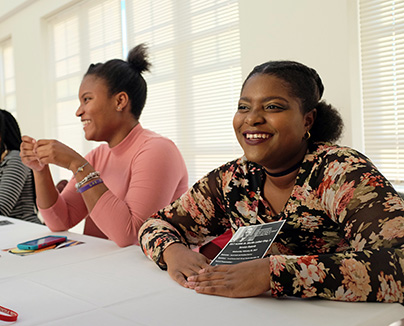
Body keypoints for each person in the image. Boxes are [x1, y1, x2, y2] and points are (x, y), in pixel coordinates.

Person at [138, 60, 404, 302]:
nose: (252, 118)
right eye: (244, 107)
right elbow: (156, 223)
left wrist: (273, 274)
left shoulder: (339, 172)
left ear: (307, 120)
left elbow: (399, 263)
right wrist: (173, 252)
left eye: (273, 107)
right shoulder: (233, 179)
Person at [20, 44, 188, 247]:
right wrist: (40, 171)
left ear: (120, 101)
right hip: (107, 268)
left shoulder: (158, 150)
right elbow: (60, 221)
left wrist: (77, 165)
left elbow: (131, 235)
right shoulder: (97, 156)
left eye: (87, 99)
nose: (78, 112)